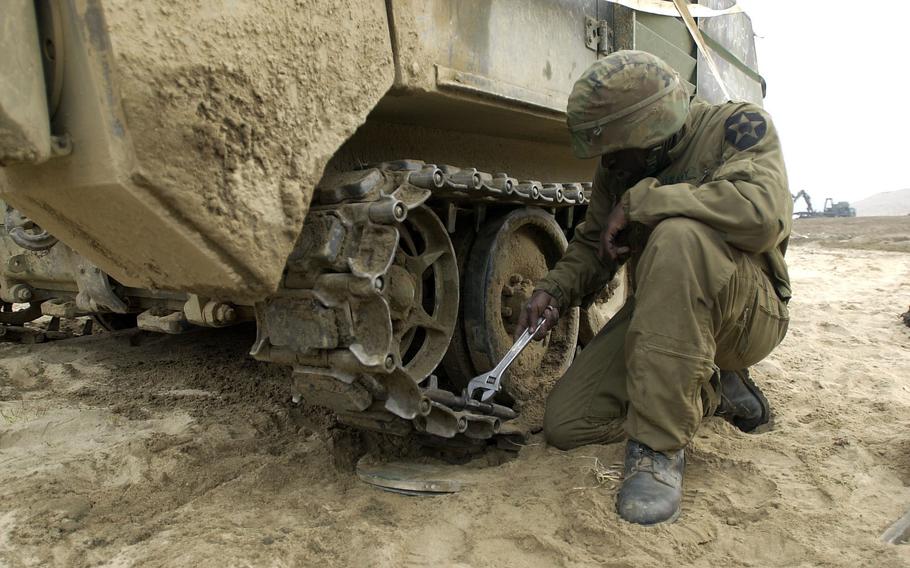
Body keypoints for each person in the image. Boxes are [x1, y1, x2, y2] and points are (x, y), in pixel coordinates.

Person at [515, 50, 792, 525]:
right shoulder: (620, 167)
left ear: (650, 129)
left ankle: (658, 449)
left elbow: (761, 214)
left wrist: (647, 201)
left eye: (615, 148)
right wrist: (554, 291)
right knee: (568, 423)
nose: (609, 161)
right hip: (665, 317)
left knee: (679, 235)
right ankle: (710, 388)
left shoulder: (737, 127)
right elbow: (595, 246)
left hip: (749, 313)